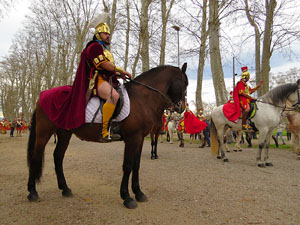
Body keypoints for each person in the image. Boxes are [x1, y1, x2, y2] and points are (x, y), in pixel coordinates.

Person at [84, 13, 132, 142]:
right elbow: (104, 65)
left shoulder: (105, 50)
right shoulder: (94, 47)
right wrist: (122, 70)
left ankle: (116, 126)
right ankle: (104, 131)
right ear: (98, 34)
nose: (108, 36)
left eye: (109, 34)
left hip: (107, 79)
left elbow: (109, 69)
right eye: (105, 34)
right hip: (97, 79)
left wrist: (118, 74)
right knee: (113, 96)